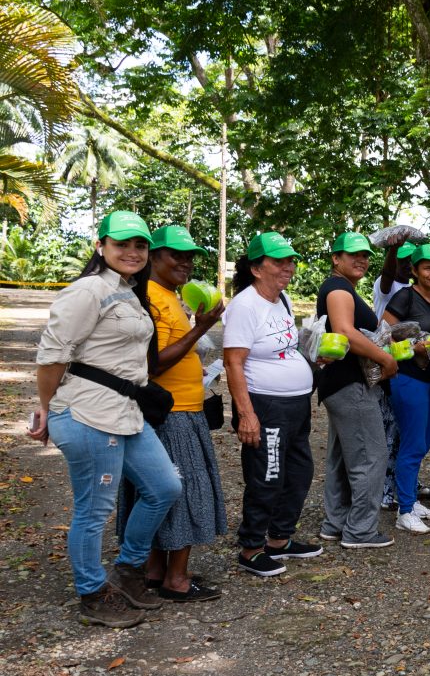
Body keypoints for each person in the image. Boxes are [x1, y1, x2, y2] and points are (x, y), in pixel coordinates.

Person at [31, 211, 182, 627]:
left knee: (165, 487)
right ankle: (92, 592)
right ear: (101, 246)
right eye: (121, 244)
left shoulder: (130, 291)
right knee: (94, 510)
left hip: (126, 411)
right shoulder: (88, 291)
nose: (132, 252)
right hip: (88, 413)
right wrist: (46, 407)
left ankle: (129, 568)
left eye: (140, 245)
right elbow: (53, 356)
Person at [133, 224, 226, 601]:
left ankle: (156, 570)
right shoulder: (150, 298)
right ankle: (177, 579)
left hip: (185, 406)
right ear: (153, 257)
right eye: (176, 255)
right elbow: (152, 363)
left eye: (189, 256)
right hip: (172, 414)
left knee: (167, 492)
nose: (185, 262)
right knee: (186, 491)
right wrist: (200, 329)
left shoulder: (170, 295)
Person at [223, 231, 322, 577]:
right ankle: (251, 548)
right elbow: (233, 362)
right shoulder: (244, 306)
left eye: (290, 261)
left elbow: (286, 349)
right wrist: (246, 415)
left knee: (299, 472)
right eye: (278, 261)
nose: (288, 267)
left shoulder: (283, 300)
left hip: (295, 403)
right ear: (256, 268)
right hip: (265, 405)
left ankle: (279, 540)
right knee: (268, 475)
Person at [316, 232, 399, 549]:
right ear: (336, 258)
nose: (361, 260)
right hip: (348, 384)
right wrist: (383, 358)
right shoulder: (338, 289)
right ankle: (360, 530)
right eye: (353, 255)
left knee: (341, 456)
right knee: (371, 455)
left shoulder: (341, 288)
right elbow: (345, 332)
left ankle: (335, 523)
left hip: (339, 382)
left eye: (365, 255)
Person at [382, 243, 430, 533]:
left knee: (422, 443)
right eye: (428, 267)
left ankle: (408, 499)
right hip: (408, 378)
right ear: (414, 270)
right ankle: (405, 511)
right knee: (411, 444)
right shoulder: (404, 296)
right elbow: (383, 336)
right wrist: (416, 346)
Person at [374, 236, 419, 509]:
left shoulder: (416, 290)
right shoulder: (387, 287)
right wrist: (393, 248)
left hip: (410, 365)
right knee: (388, 430)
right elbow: (388, 274)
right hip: (387, 365)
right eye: (402, 260)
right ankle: (383, 490)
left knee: (407, 431)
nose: (406, 265)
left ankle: (404, 483)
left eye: (410, 261)